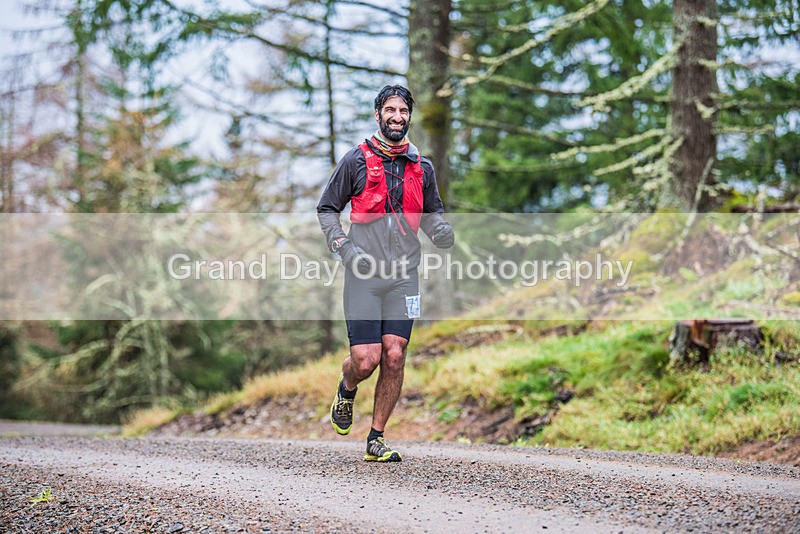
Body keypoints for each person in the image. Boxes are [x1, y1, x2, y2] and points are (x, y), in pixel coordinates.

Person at [317, 84, 454, 462]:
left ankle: (376, 438)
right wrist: (343, 246)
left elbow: (431, 214)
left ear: (410, 116)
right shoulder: (355, 161)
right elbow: (327, 208)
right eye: (390, 110)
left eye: (403, 111)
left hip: (405, 274)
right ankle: (347, 388)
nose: (397, 117)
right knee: (366, 358)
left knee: (395, 353)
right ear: (378, 115)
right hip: (363, 273)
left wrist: (440, 230)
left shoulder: (422, 166)